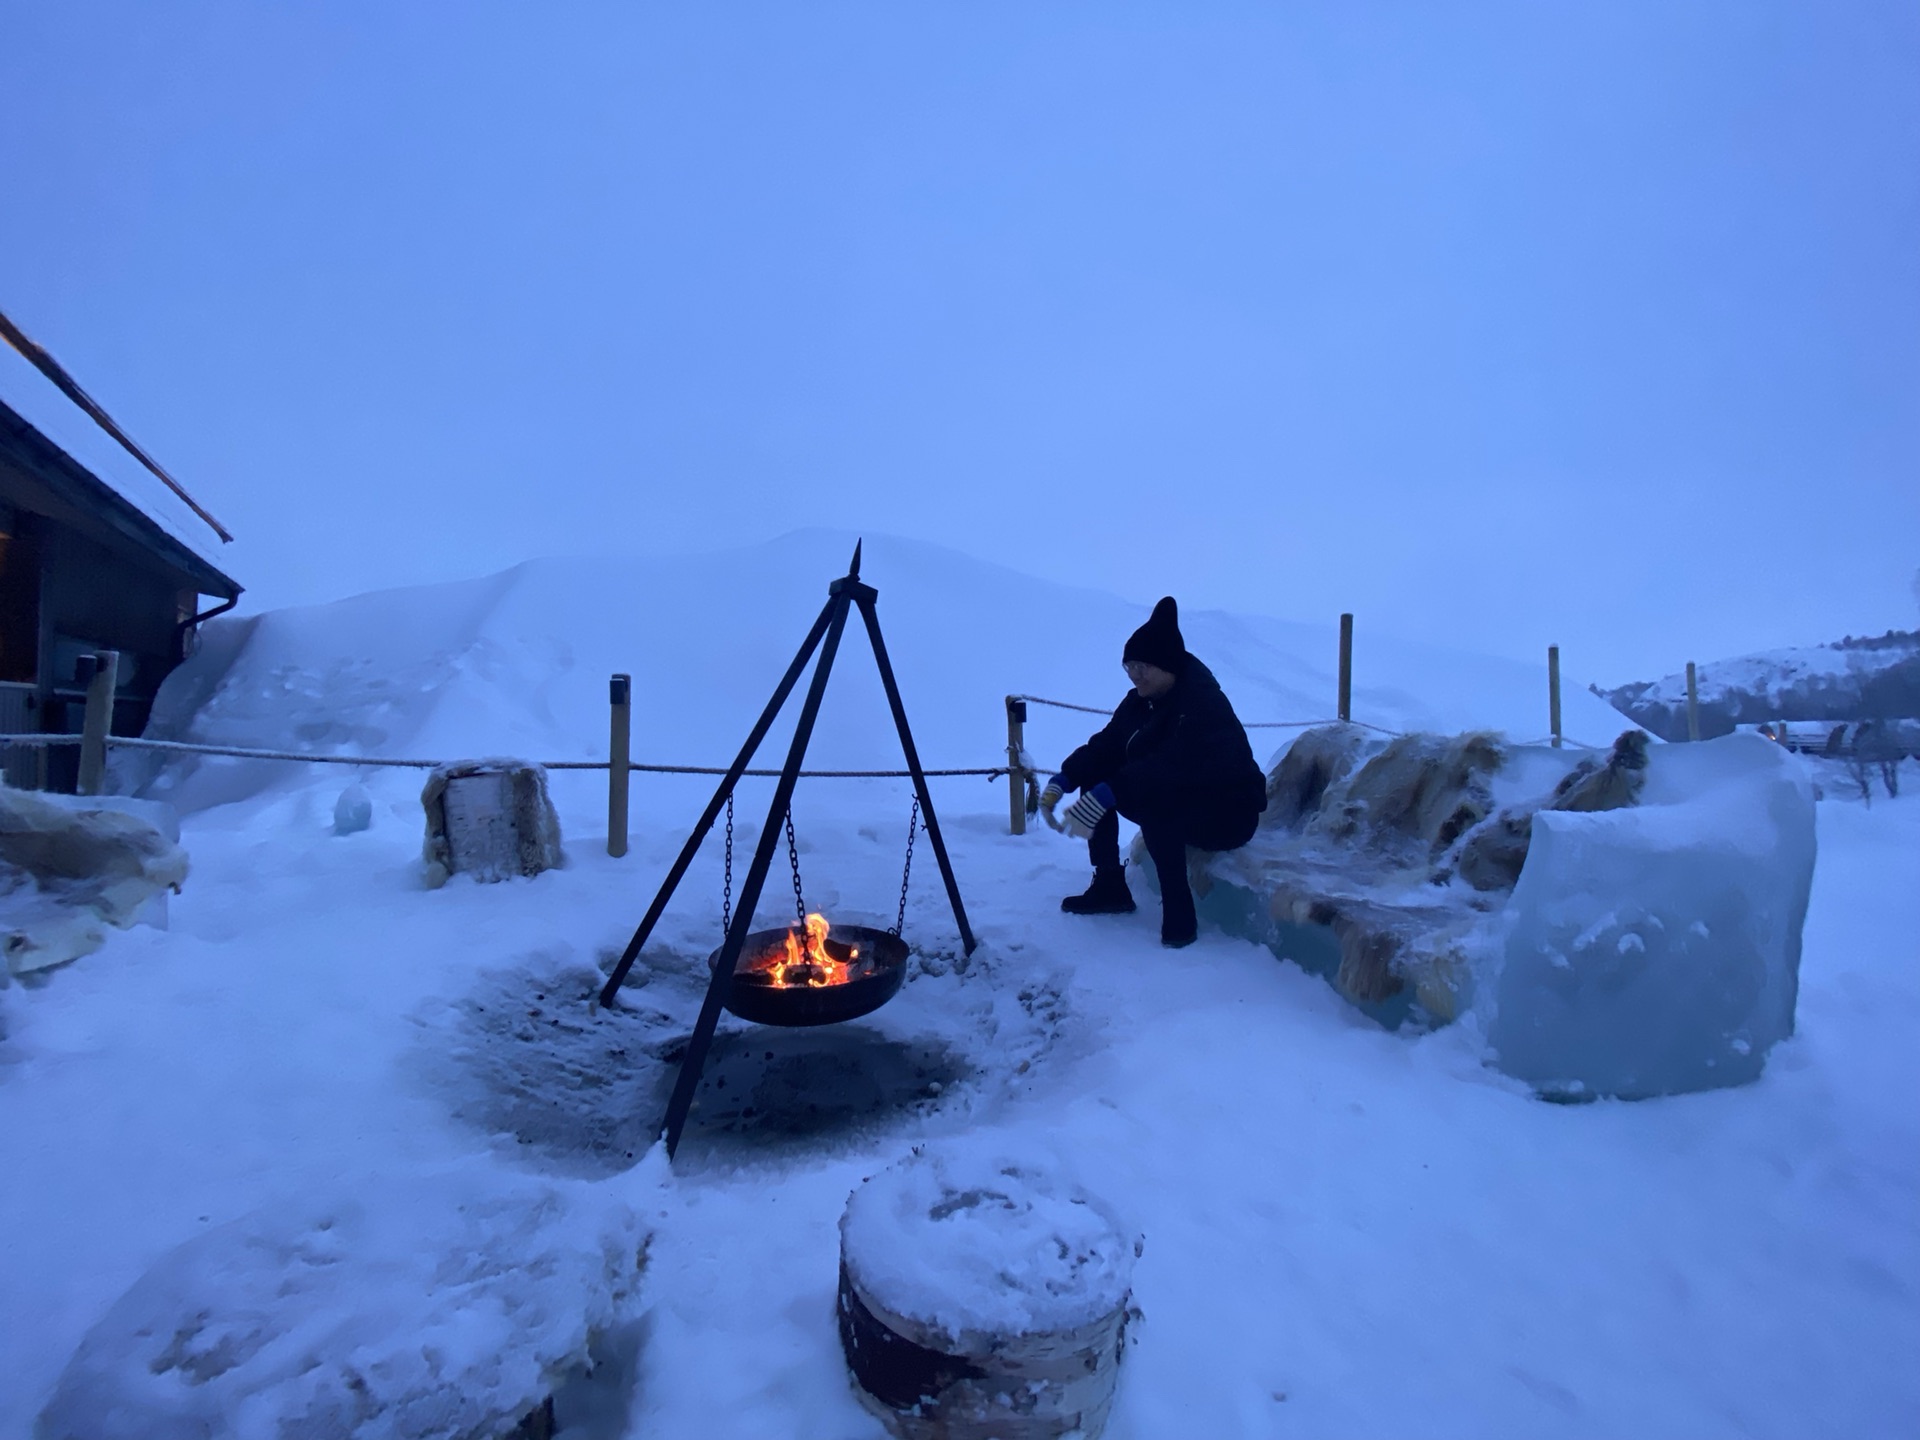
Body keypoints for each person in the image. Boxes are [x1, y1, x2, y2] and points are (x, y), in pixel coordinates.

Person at [1040, 596, 1266, 947]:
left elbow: (1172, 766)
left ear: (1166, 664)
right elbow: (1108, 743)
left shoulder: (1202, 704)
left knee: (1158, 807)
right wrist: (1065, 778)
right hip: (1183, 797)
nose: (1134, 675)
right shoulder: (1141, 700)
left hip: (1229, 812)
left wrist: (1111, 791)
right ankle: (1109, 885)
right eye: (1129, 667)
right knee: (1098, 779)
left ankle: (1180, 918)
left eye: (1142, 667)